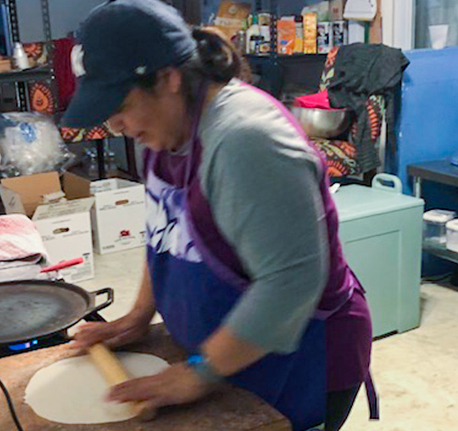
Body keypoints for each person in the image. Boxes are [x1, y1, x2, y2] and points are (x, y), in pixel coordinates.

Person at [63, 1, 378, 430]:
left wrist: (200, 373)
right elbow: (163, 233)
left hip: (300, 359)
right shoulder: (162, 128)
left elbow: (290, 284)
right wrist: (138, 317)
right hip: (226, 351)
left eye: (119, 104)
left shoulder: (244, 140)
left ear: (169, 79)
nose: (115, 124)